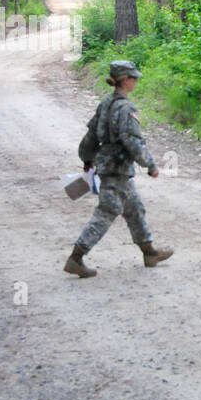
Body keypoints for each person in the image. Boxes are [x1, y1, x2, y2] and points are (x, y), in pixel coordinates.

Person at [64, 60, 173, 278]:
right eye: (133, 77)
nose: (136, 81)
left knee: (134, 208)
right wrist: (150, 165)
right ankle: (76, 258)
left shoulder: (105, 104)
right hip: (117, 168)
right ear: (124, 80)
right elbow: (132, 141)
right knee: (107, 212)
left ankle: (149, 252)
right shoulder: (126, 108)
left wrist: (86, 159)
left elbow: (91, 136)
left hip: (110, 166)